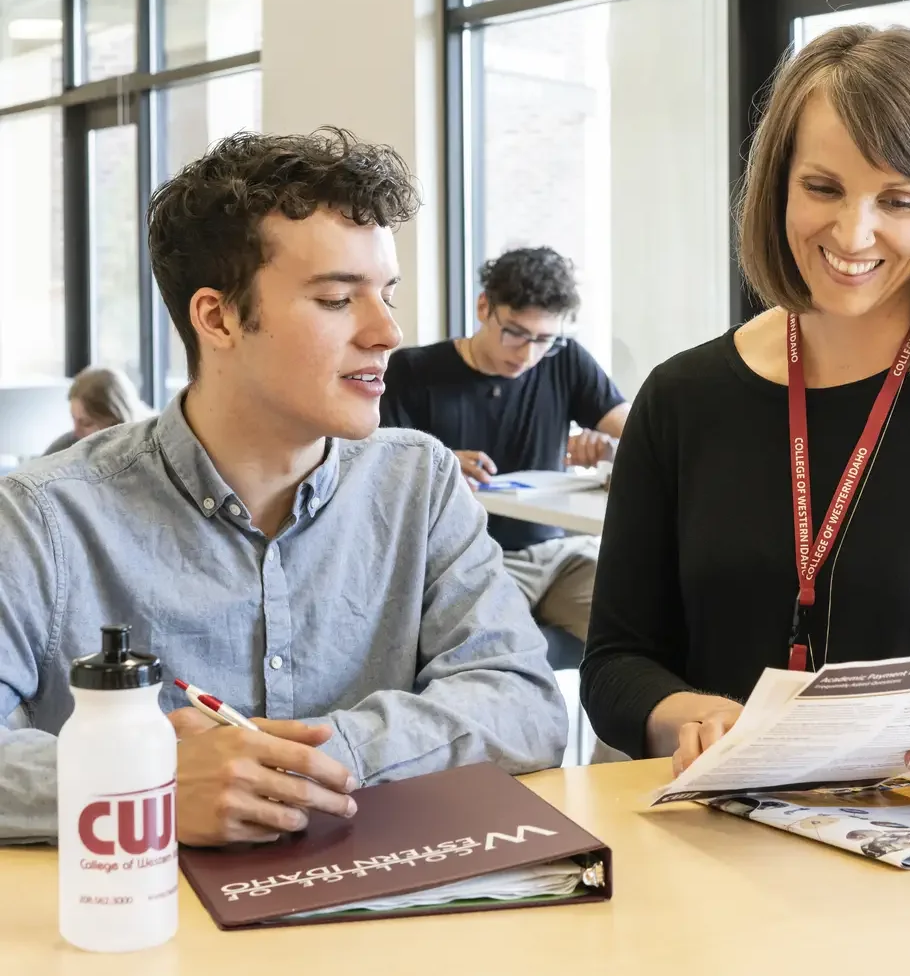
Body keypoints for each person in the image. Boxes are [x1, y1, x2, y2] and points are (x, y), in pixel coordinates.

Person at [0, 128, 568, 846]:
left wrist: (315, 759)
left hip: (384, 901)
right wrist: (145, 783)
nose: (387, 332)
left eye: (387, 295)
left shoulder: (418, 484)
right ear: (218, 317)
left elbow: (523, 703)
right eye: (337, 299)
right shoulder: (44, 517)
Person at [580, 24, 910, 802]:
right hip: (729, 831)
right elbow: (615, 663)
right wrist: (690, 718)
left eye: (899, 200)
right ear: (778, 186)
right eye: (823, 188)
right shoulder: (681, 397)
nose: (853, 232)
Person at [380, 246, 629, 643]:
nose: (528, 354)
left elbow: (638, 430)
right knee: (495, 649)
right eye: (514, 332)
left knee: (641, 626)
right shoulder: (413, 371)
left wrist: (612, 451)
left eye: (544, 339)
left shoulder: (565, 359)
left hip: (560, 554)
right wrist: (435, 465)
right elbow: (379, 473)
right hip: (471, 558)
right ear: (484, 307)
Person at [44, 366, 154, 454]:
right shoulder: (65, 449)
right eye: (73, 418)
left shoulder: (154, 449)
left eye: (86, 423)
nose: (76, 431)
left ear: (116, 420)